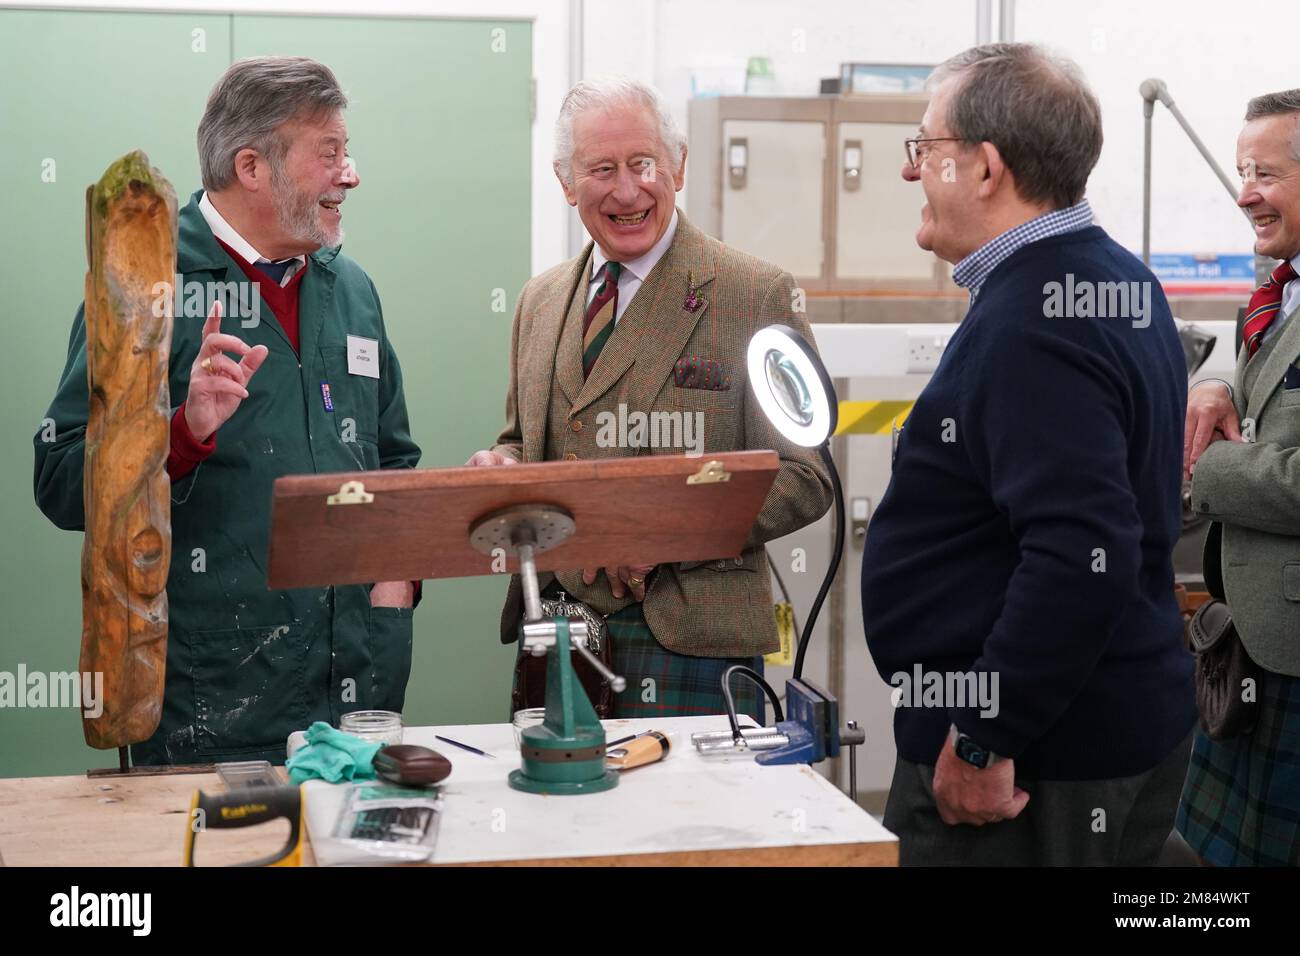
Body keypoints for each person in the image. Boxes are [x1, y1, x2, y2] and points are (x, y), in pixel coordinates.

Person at [861, 43, 1195, 865]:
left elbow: (1081, 553)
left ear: (985, 168)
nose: (912, 173)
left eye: (927, 149)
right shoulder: (1113, 279)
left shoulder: (1032, 323)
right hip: (1104, 729)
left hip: (1034, 770)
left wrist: (982, 735)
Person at [34, 56, 421, 765]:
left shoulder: (353, 289)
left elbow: (393, 460)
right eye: (328, 153)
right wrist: (182, 433)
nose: (351, 173)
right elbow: (60, 481)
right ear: (252, 167)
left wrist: (396, 588)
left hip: (360, 693)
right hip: (207, 706)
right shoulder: (146, 283)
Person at [467, 76, 832, 722]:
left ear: (678, 167)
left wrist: (669, 534)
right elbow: (525, 441)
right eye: (602, 169)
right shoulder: (539, 302)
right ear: (565, 181)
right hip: (557, 629)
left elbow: (805, 477)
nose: (628, 190)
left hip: (693, 644)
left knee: (694, 826)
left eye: (643, 164)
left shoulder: (755, 294)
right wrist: (504, 467)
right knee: (560, 818)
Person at [1178, 88, 1300, 866]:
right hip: (1251, 646)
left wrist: (1194, 463)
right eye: (1240, 170)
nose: (1244, 192)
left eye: (1265, 172)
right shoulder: (1275, 290)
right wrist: (1221, 385)